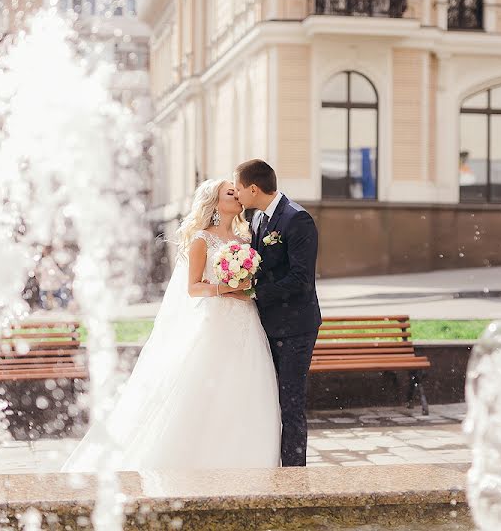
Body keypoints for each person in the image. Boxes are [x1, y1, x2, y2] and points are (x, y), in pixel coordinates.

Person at [61, 179, 281, 472]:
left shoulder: (244, 239)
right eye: (231, 192)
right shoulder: (203, 239)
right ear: (215, 203)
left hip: (245, 319)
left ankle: (248, 462)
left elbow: (249, 282)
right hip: (215, 321)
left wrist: (247, 286)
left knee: (247, 387)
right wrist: (223, 289)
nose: (238, 195)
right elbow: (193, 288)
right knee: (207, 388)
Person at [233, 159, 321, 467]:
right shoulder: (257, 220)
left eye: (239, 188)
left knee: (291, 404)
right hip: (268, 324)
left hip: (296, 327)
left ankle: (295, 477)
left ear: (254, 189)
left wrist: (254, 293)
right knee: (269, 401)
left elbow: (301, 279)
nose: (237, 193)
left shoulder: (298, 219)